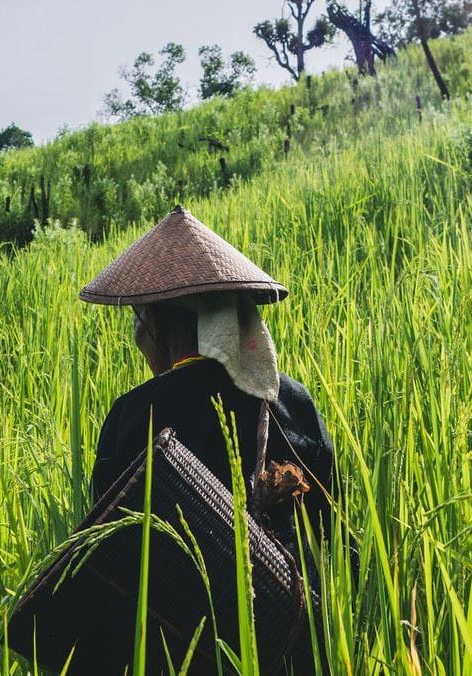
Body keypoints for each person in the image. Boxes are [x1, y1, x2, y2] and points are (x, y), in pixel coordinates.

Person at [80, 205, 339, 666]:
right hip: (294, 654)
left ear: (156, 324)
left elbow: (103, 562)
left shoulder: (136, 415)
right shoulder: (294, 405)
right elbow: (333, 539)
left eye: (140, 322)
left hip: (178, 657)